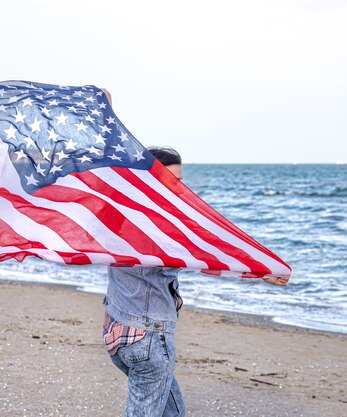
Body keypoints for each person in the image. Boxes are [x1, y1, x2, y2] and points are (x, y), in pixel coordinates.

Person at [100, 90, 288, 417]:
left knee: (173, 413)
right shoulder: (163, 226)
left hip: (118, 336)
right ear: (149, 180)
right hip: (147, 341)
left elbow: (107, 168)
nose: (179, 189)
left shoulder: (120, 212)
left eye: (181, 181)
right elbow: (208, 253)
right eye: (170, 180)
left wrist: (107, 116)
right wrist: (259, 269)